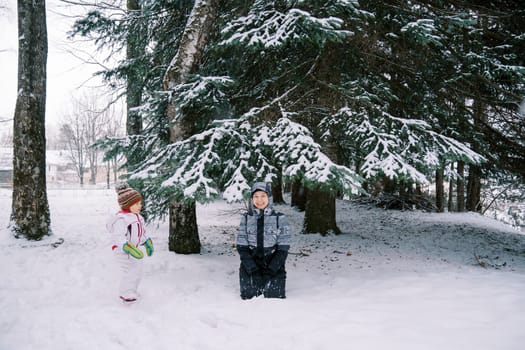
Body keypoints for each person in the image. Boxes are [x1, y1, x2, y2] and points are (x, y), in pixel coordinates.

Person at [236, 182, 291, 299]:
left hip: (273, 263)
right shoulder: (246, 218)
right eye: (256, 196)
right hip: (251, 264)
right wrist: (252, 269)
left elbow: (283, 249)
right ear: (252, 199)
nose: (259, 200)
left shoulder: (280, 218)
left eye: (263, 196)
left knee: (273, 298)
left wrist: (271, 270)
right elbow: (242, 247)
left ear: (269, 198)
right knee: (249, 297)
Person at [106, 183, 154, 302]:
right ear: (127, 205)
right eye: (137, 203)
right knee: (131, 270)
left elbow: (140, 233)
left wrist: (146, 242)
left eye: (140, 203)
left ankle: (132, 290)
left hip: (135, 249)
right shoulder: (121, 219)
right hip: (123, 250)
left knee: (138, 269)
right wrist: (127, 247)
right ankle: (125, 292)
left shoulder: (138, 217)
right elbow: (118, 236)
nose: (140, 206)